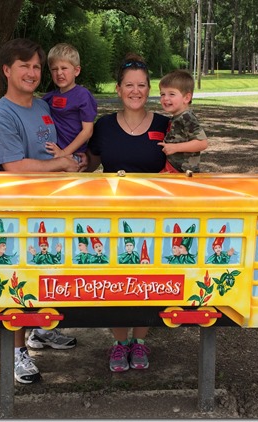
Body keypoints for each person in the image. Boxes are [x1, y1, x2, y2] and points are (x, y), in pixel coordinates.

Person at [0, 38, 84, 384]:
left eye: (37, 66)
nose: (32, 72)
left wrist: (76, 160)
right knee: (19, 280)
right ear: (6, 70)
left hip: (50, 207)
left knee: (50, 272)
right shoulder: (0, 115)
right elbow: (14, 167)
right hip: (18, 212)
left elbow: (55, 148)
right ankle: (16, 353)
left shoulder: (42, 106)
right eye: (23, 65)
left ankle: (41, 330)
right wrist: (61, 165)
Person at [85, 53, 170, 372]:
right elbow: (89, 164)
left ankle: (140, 340)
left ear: (149, 89)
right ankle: (120, 343)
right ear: (118, 89)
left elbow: (183, 164)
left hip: (154, 215)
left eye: (142, 85)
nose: (136, 91)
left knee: (149, 279)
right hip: (113, 215)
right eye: (129, 85)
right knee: (115, 281)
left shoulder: (165, 125)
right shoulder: (104, 126)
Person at [42, 43, 98, 158]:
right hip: (52, 152)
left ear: (76, 71)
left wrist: (64, 152)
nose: (59, 73)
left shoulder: (83, 95)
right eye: (54, 69)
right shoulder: (49, 98)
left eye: (64, 68)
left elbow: (87, 131)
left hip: (74, 154)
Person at [158, 69, 209, 173]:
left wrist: (175, 147)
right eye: (162, 94)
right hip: (172, 168)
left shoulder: (187, 117)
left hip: (183, 172)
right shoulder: (177, 117)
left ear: (186, 98)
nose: (165, 98)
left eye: (171, 94)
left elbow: (202, 143)